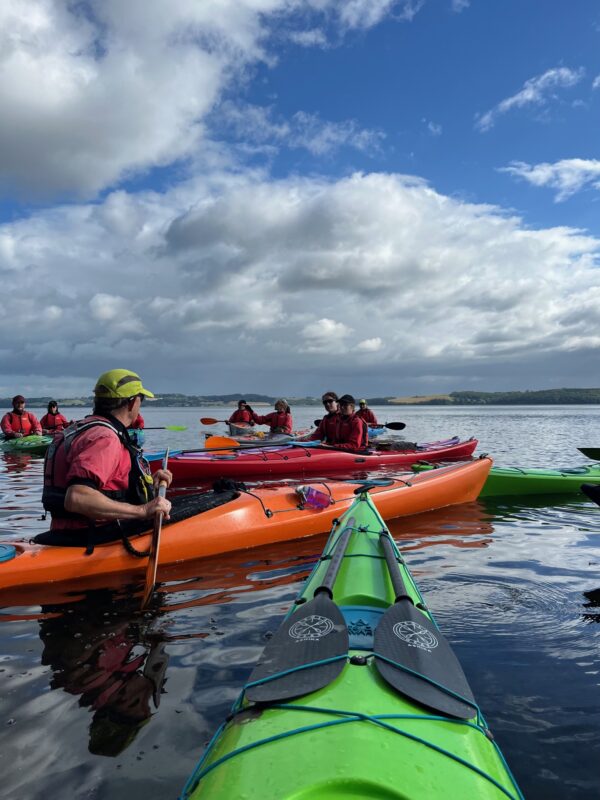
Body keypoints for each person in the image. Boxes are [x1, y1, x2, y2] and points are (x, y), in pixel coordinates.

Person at [38, 368, 172, 548]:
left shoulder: (82, 428)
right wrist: (143, 510)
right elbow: (77, 498)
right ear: (132, 403)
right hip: (93, 537)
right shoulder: (105, 437)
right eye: (142, 399)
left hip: (66, 532)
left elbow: (109, 486)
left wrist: (148, 485)